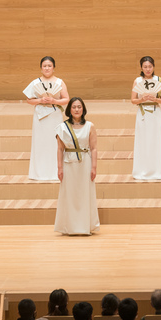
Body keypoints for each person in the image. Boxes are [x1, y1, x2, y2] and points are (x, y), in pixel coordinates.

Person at [54, 97, 99, 235]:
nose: (77, 109)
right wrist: (60, 168)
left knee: (84, 193)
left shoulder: (90, 126)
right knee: (70, 194)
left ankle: (85, 226)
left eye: (79, 107)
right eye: (74, 107)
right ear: (69, 110)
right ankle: (69, 227)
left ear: (83, 109)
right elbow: (60, 149)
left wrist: (94, 167)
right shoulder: (62, 127)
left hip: (85, 163)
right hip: (69, 164)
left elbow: (94, 148)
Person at [23, 56, 70, 181]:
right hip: (40, 116)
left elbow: (66, 99)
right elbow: (28, 100)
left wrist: (55, 100)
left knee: (55, 143)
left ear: (53, 68)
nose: (47, 68)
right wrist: (40, 100)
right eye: (44, 66)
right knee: (40, 143)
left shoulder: (59, 82)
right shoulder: (35, 82)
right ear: (41, 68)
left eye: (49, 66)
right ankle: (38, 173)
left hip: (55, 115)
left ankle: (56, 172)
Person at [131, 56, 161, 180]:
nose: (148, 69)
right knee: (143, 141)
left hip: (155, 113)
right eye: (145, 67)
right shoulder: (137, 81)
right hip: (142, 113)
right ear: (141, 68)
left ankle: (157, 170)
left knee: (156, 140)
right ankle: (142, 170)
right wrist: (141, 99)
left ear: (153, 67)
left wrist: (156, 99)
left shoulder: (159, 81)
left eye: (150, 66)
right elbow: (133, 100)